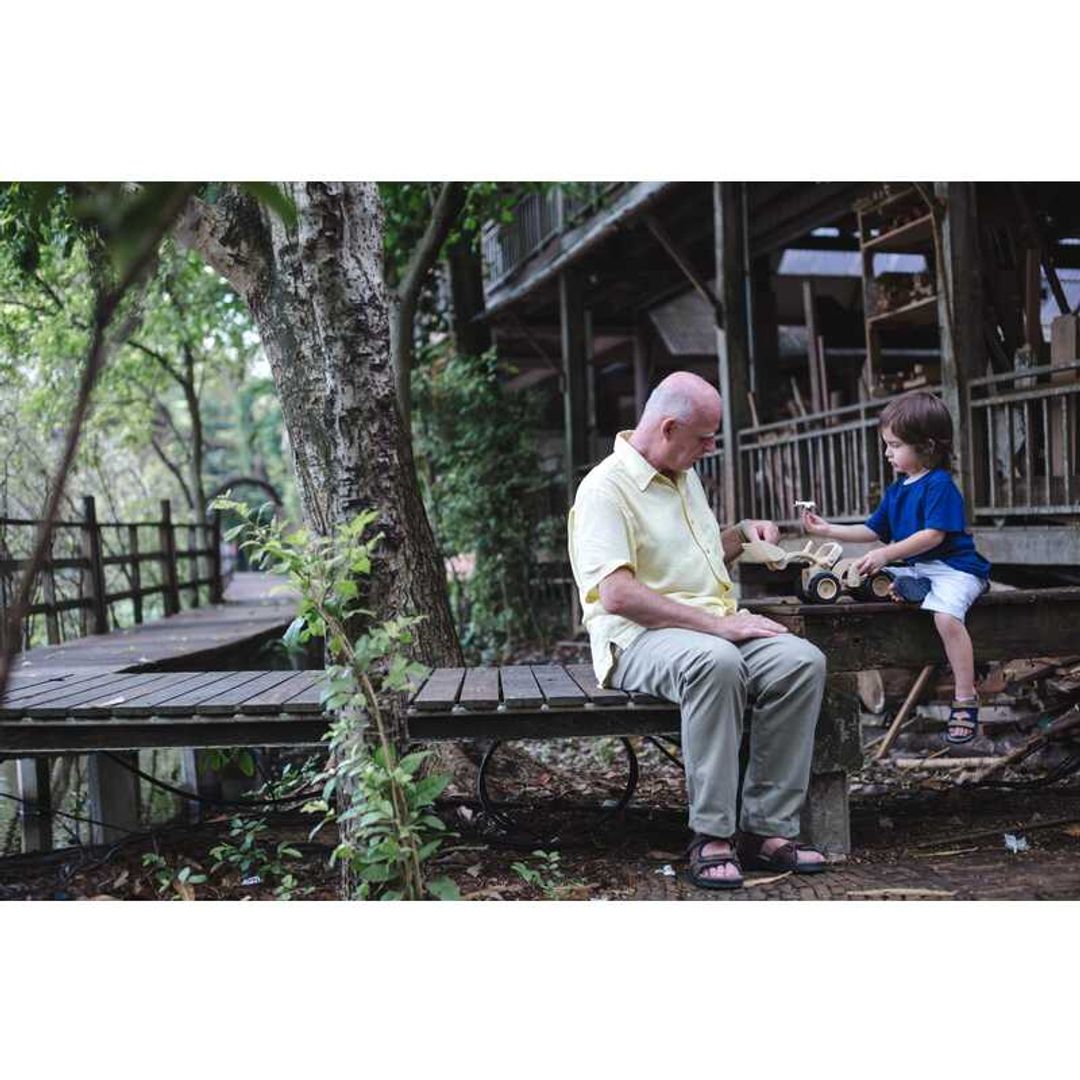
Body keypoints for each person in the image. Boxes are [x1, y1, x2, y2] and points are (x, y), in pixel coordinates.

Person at [567, 372, 828, 890]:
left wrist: (740, 534)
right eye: (705, 437)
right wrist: (717, 627)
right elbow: (617, 594)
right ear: (667, 427)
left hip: (709, 628)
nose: (711, 447)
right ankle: (711, 835)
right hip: (636, 638)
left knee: (802, 661)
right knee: (717, 661)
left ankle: (766, 830)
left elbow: (693, 560)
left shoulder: (684, 475)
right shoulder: (604, 489)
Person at [802, 390, 991, 745]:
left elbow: (933, 536)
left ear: (927, 446)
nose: (888, 452)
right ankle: (910, 588)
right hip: (918, 569)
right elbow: (873, 530)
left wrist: (887, 555)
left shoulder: (939, 486)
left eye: (895, 445)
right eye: (886, 444)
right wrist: (827, 529)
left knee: (946, 618)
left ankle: (965, 697)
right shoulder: (897, 489)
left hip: (955, 569)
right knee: (863, 577)